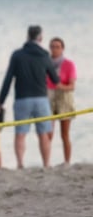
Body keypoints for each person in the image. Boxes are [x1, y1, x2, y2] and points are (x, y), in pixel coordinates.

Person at [0, 25, 60, 169]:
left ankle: (20, 164)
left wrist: (1, 100)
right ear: (40, 38)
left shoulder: (17, 55)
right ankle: (46, 164)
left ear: (27, 36)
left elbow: (8, 79)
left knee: (20, 133)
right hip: (41, 99)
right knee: (44, 133)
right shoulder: (45, 55)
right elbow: (55, 79)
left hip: (22, 99)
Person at [46, 37, 76, 165]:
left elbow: (72, 86)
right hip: (49, 96)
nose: (54, 49)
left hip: (64, 97)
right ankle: (46, 161)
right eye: (52, 46)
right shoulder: (45, 63)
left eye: (57, 47)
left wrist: (61, 86)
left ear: (62, 49)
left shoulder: (69, 64)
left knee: (65, 134)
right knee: (48, 133)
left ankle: (67, 161)